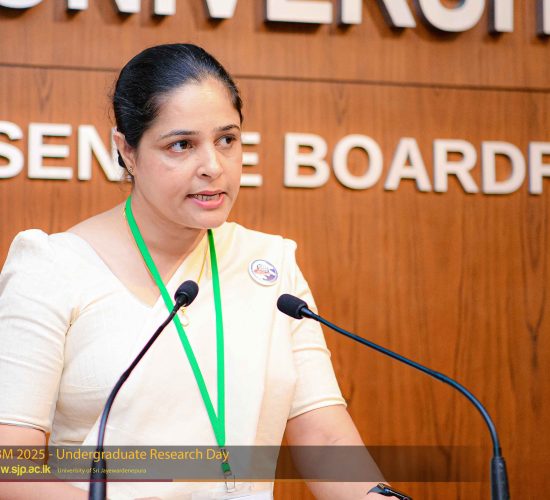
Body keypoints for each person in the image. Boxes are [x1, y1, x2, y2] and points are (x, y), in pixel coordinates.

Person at [0, 44, 392, 499]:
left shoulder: (269, 264)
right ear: (127, 151)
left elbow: (326, 438)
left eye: (227, 140)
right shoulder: (52, 267)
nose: (213, 167)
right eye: (182, 145)